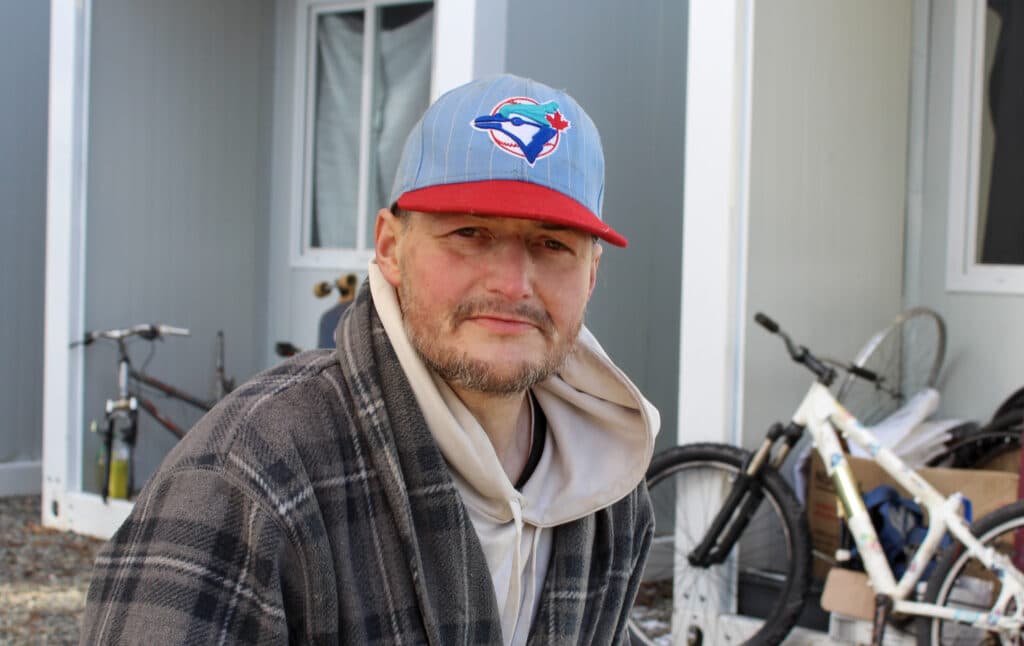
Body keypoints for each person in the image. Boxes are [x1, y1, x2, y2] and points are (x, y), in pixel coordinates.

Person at [80, 74, 660, 645]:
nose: (513, 283)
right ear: (389, 248)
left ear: (591, 274)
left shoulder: (607, 487)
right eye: (469, 232)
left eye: (553, 243)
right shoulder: (248, 480)